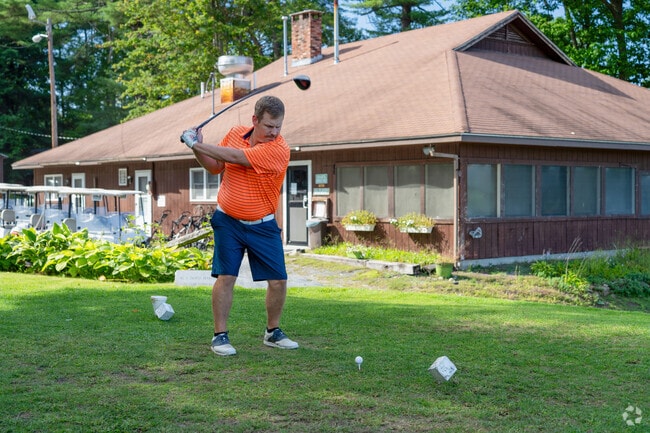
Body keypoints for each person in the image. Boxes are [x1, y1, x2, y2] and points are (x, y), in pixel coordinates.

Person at [181, 95, 298, 356]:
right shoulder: (235, 133)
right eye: (269, 126)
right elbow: (215, 167)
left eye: (279, 126)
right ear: (255, 120)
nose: (274, 132)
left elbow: (237, 157)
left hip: (262, 223)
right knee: (226, 277)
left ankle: (272, 332)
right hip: (228, 222)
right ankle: (220, 336)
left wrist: (197, 143)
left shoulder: (279, 149)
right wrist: (196, 148)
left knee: (278, 281)